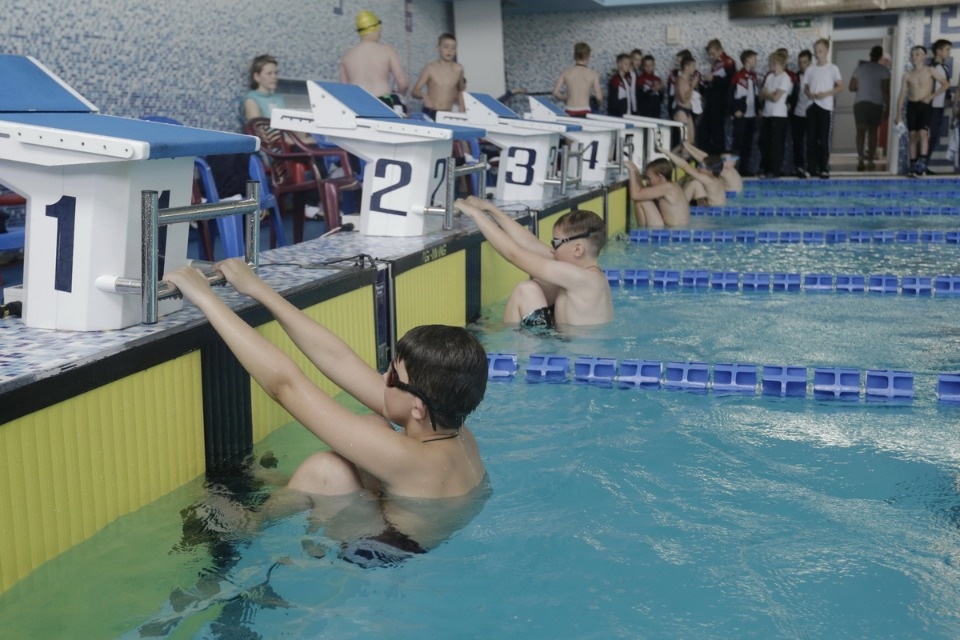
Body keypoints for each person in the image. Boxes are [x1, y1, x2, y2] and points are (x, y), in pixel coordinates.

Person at [163, 259, 489, 565]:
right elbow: (340, 360)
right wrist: (258, 289)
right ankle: (286, 484)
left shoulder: (407, 459)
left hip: (377, 552)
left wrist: (205, 299)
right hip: (409, 524)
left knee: (327, 468)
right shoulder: (452, 425)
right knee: (372, 423)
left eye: (391, 375)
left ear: (417, 407)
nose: (382, 379)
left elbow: (285, 386)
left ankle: (251, 526)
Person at [454, 195, 612, 327]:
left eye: (555, 243)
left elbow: (513, 254)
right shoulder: (585, 272)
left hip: (573, 357)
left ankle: (511, 355)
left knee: (526, 290)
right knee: (533, 287)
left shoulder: (582, 279)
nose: (551, 249)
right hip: (568, 348)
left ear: (578, 249)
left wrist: (475, 214)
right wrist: (490, 209)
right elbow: (530, 244)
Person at [339, 10, 409, 113]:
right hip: (383, 104)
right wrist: (398, 96)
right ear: (376, 28)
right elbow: (403, 84)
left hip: (357, 105)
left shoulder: (347, 56)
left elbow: (344, 90)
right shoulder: (387, 51)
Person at [895, 45, 949, 177]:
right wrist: (898, 115)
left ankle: (922, 164)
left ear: (924, 56)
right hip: (912, 106)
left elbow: (945, 84)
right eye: (912, 54)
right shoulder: (907, 75)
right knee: (912, 136)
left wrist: (930, 96)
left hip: (925, 106)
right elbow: (902, 95)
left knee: (923, 134)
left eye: (917, 54)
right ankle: (913, 165)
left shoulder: (930, 70)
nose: (914, 57)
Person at [802, 38, 843, 179]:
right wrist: (809, 94)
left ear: (826, 51)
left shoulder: (833, 68)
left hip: (825, 107)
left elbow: (840, 86)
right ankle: (810, 168)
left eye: (819, 50)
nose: (817, 53)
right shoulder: (810, 69)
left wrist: (825, 94)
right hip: (811, 106)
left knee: (823, 139)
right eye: (816, 51)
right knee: (811, 139)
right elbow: (805, 87)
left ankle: (823, 168)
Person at [848, 45, 891, 172]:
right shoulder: (884, 71)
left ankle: (861, 159)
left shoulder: (860, 68)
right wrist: (888, 107)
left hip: (860, 103)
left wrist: (862, 88)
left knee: (860, 131)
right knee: (873, 133)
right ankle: (871, 160)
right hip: (876, 104)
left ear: (870, 54)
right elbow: (885, 91)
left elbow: (851, 87)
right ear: (880, 56)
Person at [411, 32, 466, 119]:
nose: (449, 51)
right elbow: (414, 91)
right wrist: (425, 96)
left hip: (448, 114)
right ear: (438, 48)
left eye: (453, 48)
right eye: (446, 47)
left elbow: (461, 91)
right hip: (430, 112)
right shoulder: (430, 68)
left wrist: (462, 110)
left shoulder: (458, 69)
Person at [625, 157, 690, 228]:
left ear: (660, 177)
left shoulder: (667, 187)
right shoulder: (671, 186)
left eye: (649, 178)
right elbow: (644, 193)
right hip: (676, 231)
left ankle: (643, 233)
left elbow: (635, 195)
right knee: (644, 198)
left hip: (672, 233)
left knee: (641, 201)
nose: (647, 182)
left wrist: (631, 171)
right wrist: (636, 173)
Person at [758, 50, 793, 177]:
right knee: (764, 143)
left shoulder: (785, 78)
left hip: (779, 115)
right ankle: (766, 168)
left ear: (778, 63)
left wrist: (768, 94)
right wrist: (769, 94)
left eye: (771, 62)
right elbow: (761, 95)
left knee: (776, 145)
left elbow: (776, 98)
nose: (769, 65)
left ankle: (775, 170)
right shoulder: (770, 76)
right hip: (767, 114)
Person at [702, 39, 737, 154]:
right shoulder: (715, 65)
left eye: (713, 53)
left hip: (721, 100)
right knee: (706, 128)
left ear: (720, 50)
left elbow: (731, 82)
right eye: (710, 54)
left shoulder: (728, 62)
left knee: (717, 128)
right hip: (712, 100)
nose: (711, 57)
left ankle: (718, 153)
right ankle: (710, 153)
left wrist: (714, 79)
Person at [661, 145, 726, 206]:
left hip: (714, 213)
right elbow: (688, 166)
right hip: (715, 210)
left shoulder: (708, 180)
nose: (698, 167)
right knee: (697, 184)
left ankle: (678, 206)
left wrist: (666, 152)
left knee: (695, 183)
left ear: (709, 171)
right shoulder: (713, 177)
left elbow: (684, 165)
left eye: (700, 166)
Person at [553, 42, 603, 117]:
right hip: (585, 110)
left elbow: (555, 92)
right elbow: (599, 97)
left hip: (569, 110)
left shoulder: (566, 72)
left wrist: (566, 98)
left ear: (575, 56)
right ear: (588, 56)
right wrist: (599, 104)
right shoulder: (593, 74)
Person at [729, 50, 759, 176]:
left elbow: (756, 95)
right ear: (747, 60)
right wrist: (734, 110)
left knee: (748, 143)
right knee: (738, 144)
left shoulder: (753, 75)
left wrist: (759, 109)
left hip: (751, 115)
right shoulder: (738, 75)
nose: (756, 61)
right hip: (741, 115)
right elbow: (730, 95)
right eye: (754, 59)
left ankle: (744, 169)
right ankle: (733, 170)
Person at [926, 39, 953, 172]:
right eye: (947, 49)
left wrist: (947, 99)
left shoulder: (944, 68)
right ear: (938, 51)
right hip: (932, 108)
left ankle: (924, 164)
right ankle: (922, 165)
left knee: (934, 137)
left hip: (940, 107)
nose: (949, 52)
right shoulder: (933, 68)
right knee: (929, 137)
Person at [242, 54, 286, 122]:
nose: (274, 77)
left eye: (276, 73)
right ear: (257, 77)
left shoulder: (279, 99)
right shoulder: (251, 100)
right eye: (269, 73)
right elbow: (258, 130)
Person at [791, 49, 813, 178]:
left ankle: (811, 167)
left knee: (812, 142)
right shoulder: (795, 77)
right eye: (800, 62)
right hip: (797, 113)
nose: (802, 65)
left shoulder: (816, 75)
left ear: (810, 62)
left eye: (804, 62)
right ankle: (798, 167)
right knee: (797, 142)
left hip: (812, 114)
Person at [672, 56, 699, 143]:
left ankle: (670, 155)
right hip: (681, 111)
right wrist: (692, 86)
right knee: (685, 143)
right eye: (693, 66)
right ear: (686, 67)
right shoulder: (680, 80)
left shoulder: (688, 80)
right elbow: (683, 99)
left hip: (688, 110)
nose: (695, 69)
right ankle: (668, 155)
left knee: (691, 142)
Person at [607, 53, 636, 117]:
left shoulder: (626, 79)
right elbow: (612, 99)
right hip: (618, 115)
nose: (628, 66)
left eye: (629, 64)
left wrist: (633, 111)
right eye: (626, 64)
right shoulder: (615, 80)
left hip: (627, 113)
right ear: (619, 64)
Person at [636, 55, 664, 119]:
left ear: (654, 66)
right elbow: (639, 97)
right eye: (646, 65)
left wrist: (661, 90)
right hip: (644, 111)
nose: (648, 67)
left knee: (656, 128)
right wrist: (652, 90)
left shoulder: (657, 79)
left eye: (650, 65)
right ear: (643, 66)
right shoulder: (640, 79)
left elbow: (661, 99)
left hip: (656, 111)